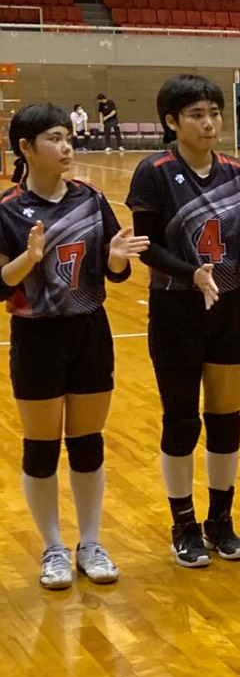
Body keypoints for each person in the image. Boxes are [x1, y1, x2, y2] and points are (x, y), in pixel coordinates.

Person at [126, 74, 240, 568]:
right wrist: (190, 274)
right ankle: (183, 523)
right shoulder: (153, 172)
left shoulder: (239, 172)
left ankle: (221, 519)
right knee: (181, 419)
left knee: (225, 417)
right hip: (175, 307)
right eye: (196, 115)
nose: (209, 123)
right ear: (172, 121)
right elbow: (146, 246)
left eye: (214, 113)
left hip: (231, 307)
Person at [0, 104, 148, 588]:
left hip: (90, 331)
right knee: (42, 447)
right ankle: (52, 548)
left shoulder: (91, 198)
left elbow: (113, 272)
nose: (66, 147)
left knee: (87, 443)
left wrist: (119, 259)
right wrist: (29, 258)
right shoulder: (7, 209)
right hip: (36, 336)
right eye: (54, 139)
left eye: (67, 137)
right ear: (25, 148)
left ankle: (90, 542)